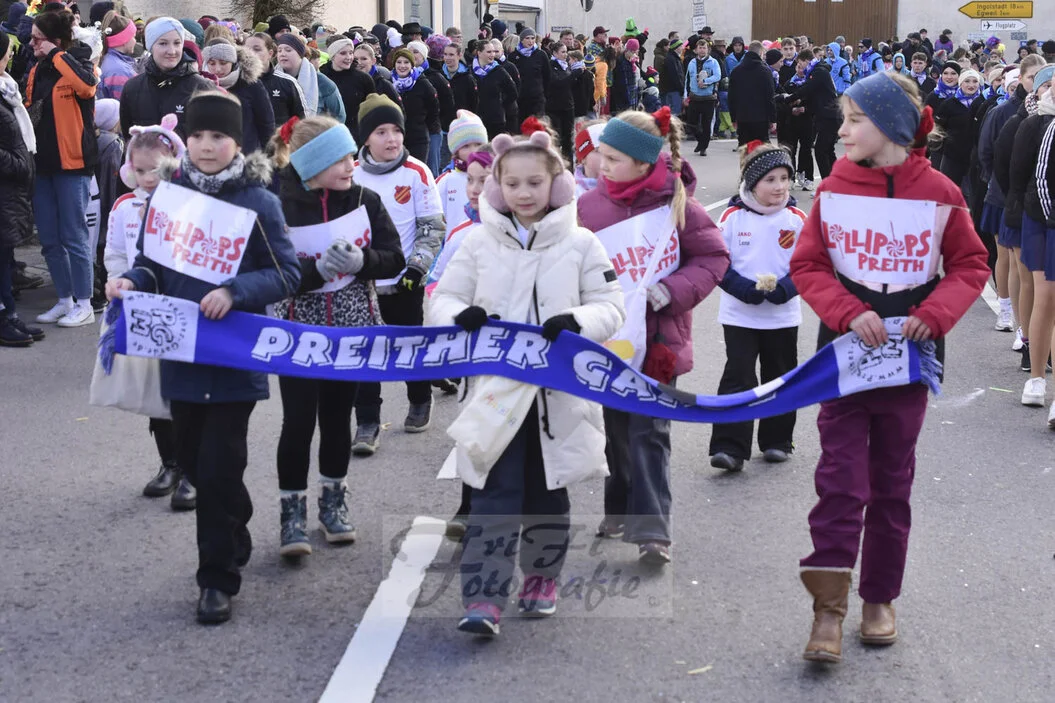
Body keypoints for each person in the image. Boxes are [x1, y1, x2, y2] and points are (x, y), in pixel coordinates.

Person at [789, 71, 989, 664]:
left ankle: (880, 598)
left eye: (855, 120)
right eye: (843, 119)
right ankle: (827, 608)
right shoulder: (832, 189)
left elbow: (970, 265)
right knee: (839, 483)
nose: (842, 131)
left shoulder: (942, 192)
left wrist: (935, 313)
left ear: (893, 127)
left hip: (907, 367)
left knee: (891, 486)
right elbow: (809, 265)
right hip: (844, 361)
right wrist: (848, 312)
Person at [105, 92, 302, 625]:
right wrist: (130, 281)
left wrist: (235, 291)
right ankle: (235, 517)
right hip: (180, 356)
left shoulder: (259, 201)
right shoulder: (168, 197)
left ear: (237, 141)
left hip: (234, 359)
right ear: (185, 142)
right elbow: (150, 265)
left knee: (217, 469)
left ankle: (216, 580)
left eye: (219, 136)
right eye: (197, 136)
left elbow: (286, 273)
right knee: (194, 462)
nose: (207, 146)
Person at [427, 129, 625, 636]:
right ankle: (483, 597)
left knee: (547, 492)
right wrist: (459, 317)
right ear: (497, 185)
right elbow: (443, 299)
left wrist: (577, 321)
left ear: (556, 182)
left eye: (535, 182)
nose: (523, 193)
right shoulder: (477, 242)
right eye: (512, 183)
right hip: (495, 395)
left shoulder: (582, 243)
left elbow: (611, 306)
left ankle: (541, 577)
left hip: (556, 397)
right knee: (492, 492)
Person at [578, 108, 729, 564]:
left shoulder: (679, 204)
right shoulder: (587, 208)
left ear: (644, 163)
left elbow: (713, 258)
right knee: (614, 429)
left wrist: (671, 291)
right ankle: (619, 506)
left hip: (660, 341)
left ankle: (653, 529)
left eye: (613, 159)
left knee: (650, 431)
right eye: (601, 156)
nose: (602, 166)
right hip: (608, 340)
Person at [269, 115, 405, 556]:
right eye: (341, 159)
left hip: (350, 329)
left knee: (336, 418)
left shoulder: (366, 199)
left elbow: (394, 257)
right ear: (312, 165)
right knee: (297, 421)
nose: (351, 166)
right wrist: (316, 271)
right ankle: (292, 513)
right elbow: (271, 271)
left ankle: (333, 503)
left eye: (351, 157)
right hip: (298, 330)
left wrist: (362, 261)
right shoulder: (279, 205)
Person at [351, 94, 444, 454]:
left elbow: (431, 228)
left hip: (405, 280)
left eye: (396, 131)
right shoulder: (351, 174)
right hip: (363, 283)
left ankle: (419, 399)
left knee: (409, 346)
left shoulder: (417, 172)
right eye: (381, 132)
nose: (391, 139)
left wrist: (417, 266)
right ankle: (367, 421)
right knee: (365, 353)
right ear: (366, 137)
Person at [103, 115, 190, 504]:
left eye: (156, 169)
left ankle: (192, 468)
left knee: (185, 390)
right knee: (156, 390)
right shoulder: (124, 206)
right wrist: (119, 282)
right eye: (139, 170)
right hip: (143, 309)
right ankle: (169, 462)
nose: (147, 177)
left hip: (181, 307)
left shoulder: (188, 204)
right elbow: (116, 252)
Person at [709, 142, 805, 471]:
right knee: (739, 377)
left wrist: (787, 288)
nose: (780, 187)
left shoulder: (797, 219)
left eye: (784, 178)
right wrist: (741, 288)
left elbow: (809, 264)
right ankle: (729, 446)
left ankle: (777, 440)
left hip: (782, 315)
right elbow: (716, 261)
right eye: (770, 180)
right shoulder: (732, 217)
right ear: (752, 183)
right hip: (740, 314)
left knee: (780, 376)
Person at [25, 9, 98, 328]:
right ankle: (65, 299)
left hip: (73, 164)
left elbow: (87, 87)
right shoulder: (36, 70)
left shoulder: (79, 61)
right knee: (50, 239)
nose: (31, 44)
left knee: (74, 236)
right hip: (43, 165)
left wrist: (56, 54)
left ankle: (84, 303)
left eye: (36, 38)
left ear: (54, 41)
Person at [1012, 66, 1055, 410]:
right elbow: (1036, 179)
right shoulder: (1042, 125)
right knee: (1047, 296)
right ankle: (1037, 378)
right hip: (1045, 222)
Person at [0, 28, 40, 347]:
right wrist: (17, 161)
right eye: (7, 54)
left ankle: (9, 314)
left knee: (3, 256)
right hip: (6, 183)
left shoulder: (5, 89)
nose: (10, 58)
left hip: (9, 189)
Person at [119, 17, 215, 139]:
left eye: (177, 43)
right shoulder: (133, 88)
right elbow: (129, 138)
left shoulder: (202, 88)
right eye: (163, 43)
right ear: (150, 46)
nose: (172, 51)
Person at [202, 39, 275, 155]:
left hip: (246, 155)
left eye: (223, 63)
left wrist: (268, 155)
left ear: (233, 62)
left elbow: (266, 123)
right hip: (210, 155)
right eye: (212, 63)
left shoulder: (250, 84)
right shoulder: (199, 84)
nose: (217, 69)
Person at [274, 33, 345, 122]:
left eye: (288, 50)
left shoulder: (322, 83)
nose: (282, 54)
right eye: (279, 50)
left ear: (301, 53)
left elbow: (339, 117)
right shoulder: (271, 80)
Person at [435, 109, 487, 231]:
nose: (473, 151)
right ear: (456, 151)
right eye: (466, 146)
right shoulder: (446, 180)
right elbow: (436, 217)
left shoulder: (493, 176)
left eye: (478, 144)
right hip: (455, 240)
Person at [319, 36, 379, 138]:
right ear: (333, 56)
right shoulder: (321, 76)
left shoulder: (363, 78)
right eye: (343, 53)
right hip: (328, 134)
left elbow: (372, 110)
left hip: (357, 136)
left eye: (351, 53)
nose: (349, 57)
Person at [933, 69, 982, 188]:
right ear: (960, 83)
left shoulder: (982, 103)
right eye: (967, 81)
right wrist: (946, 145)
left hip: (975, 156)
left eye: (975, 81)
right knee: (949, 188)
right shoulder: (949, 104)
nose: (971, 85)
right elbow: (938, 129)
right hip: (952, 155)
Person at [245, 33, 305, 126]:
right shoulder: (236, 81)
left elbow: (301, 120)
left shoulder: (288, 82)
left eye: (257, 49)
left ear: (270, 53)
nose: (250, 53)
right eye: (247, 49)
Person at [728, 41, 776, 146]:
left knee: (744, 149)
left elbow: (731, 97)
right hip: (761, 118)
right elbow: (770, 96)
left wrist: (733, 117)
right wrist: (772, 118)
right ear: (761, 53)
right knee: (760, 150)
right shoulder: (765, 71)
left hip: (742, 117)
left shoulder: (736, 71)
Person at [470, 39, 516, 138]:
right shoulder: (470, 71)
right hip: (476, 119)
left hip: (496, 120)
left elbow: (513, 92)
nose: (492, 55)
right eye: (489, 52)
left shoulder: (499, 71)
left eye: (494, 52)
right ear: (479, 53)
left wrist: (499, 104)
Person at [684, 39, 720, 155]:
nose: (702, 50)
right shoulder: (692, 62)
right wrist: (685, 95)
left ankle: (703, 147)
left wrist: (706, 81)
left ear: (708, 50)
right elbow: (687, 79)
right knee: (691, 123)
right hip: (694, 97)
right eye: (700, 48)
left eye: (704, 48)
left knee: (706, 124)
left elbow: (718, 76)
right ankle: (701, 141)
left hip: (708, 98)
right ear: (696, 50)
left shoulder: (713, 62)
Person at [508, 26, 549, 122]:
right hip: (521, 98)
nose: (530, 41)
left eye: (532, 38)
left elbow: (547, 76)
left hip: (537, 98)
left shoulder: (541, 55)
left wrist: (543, 93)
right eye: (527, 38)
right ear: (522, 39)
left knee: (537, 124)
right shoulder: (513, 56)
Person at [546, 41, 576, 162]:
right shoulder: (550, 65)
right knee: (557, 136)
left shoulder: (566, 65)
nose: (565, 54)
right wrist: (574, 75)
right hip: (554, 107)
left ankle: (569, 164)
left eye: (566, 52)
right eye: (562, 52)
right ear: (555, 53)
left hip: (568, 106)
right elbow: (558, 82)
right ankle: (556, 162)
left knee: (568, 138)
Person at [97, 10, 136, 100]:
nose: (135, 41)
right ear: (124, 40)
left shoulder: (109, 60)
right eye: (133, 37)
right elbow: (125, 105)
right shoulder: (120, 71)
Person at [441, 41, 478, 116]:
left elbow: (474, 103)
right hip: (443, 120)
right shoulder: (439, 75)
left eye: (451, 55)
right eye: (445, 54)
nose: (447, 58)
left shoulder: (468, 78)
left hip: (462, 119)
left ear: (459, 55)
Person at [572, 121, 604, 196]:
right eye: (599, 151)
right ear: (583, 158)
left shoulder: (621, 187)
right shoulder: (573, 192)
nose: (607, 156)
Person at [660, 38, 684, 115]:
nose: (682, 48)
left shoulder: (674, 58)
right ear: (676, 47)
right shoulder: (671, 59)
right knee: (674, 114)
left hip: (673, 90)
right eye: (681, 46)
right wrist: (681, 88)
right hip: (673, 90)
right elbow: (676, 75)